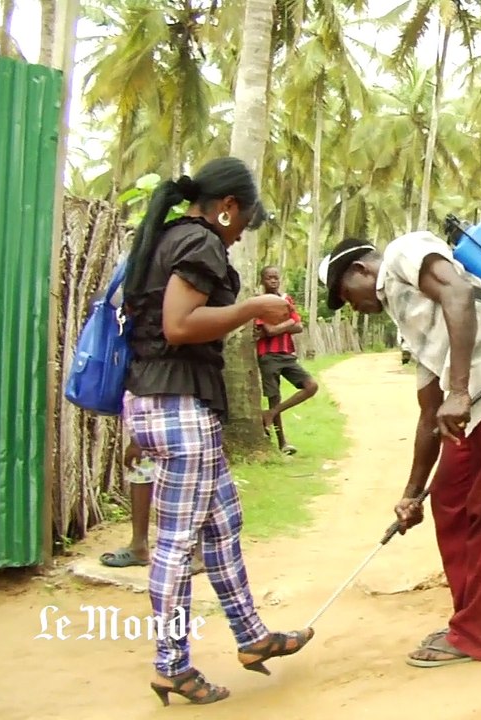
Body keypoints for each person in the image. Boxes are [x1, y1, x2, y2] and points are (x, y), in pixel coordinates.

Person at [120, 156, 314, 706]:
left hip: (165, 403)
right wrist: (251, 305)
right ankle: (171, 665)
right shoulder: (200, 242)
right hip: (178, 408)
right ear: (229, 209)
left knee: (223, 523)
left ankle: (252, 637)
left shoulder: (168, 238)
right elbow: (178, 326)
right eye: (246, 222)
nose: (241, 236)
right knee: (177, 547)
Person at [319, 231, 481, 668]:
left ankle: (477, 633)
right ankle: (469, 618)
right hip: (478, 393)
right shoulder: (404, 314)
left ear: (359, 270)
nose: (351, 306)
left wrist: (460, 390)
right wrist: (411, 494)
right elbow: (429, 413)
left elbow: (459, 292)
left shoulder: (403, 251)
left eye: (344, 295)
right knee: (448, 498)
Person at [98, 437, 204, 575]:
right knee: (141, 465)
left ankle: (198, 552)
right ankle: (138, 546)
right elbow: (137, 414)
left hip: (189, 427)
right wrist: (136, 441)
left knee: (193, 476)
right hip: (152, 428)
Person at [254, 265, 318, 454]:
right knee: (274, 397)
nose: (273, 281)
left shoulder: (286, 299)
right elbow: (270, 330)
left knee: (311, 386)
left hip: (287, 354)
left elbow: (299, 327)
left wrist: (285, 325)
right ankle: (282, 443)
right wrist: (289, 322)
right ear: (262, 280)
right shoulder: (259, 303)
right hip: (268, 356)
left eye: (276, 278)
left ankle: (270, 414)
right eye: (268, 278)